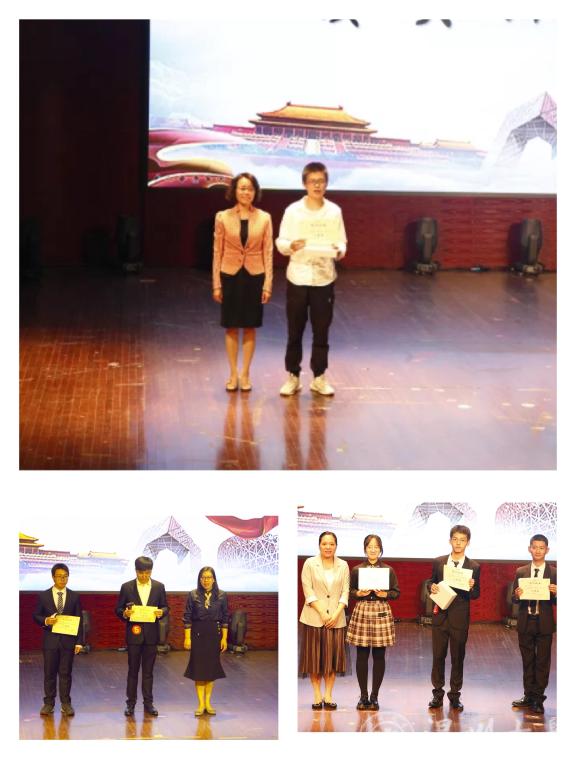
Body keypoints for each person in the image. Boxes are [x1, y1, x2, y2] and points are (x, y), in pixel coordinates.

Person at [276, 162, 347, 397]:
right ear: (304, 184)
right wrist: (291, 245)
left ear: (326, 184)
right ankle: (293, 376)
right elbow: (281, 242)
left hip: (324, 278)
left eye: (321, 181)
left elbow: (341, 241)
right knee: (295, 330)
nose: (317, 185)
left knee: (321, 330)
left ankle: (319, 377)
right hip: (298, 276)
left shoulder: (334, 211)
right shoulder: (293, 211)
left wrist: (339, 250)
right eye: (313, 181)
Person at [212, 172, 273, 392]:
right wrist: (216, 283)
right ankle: (233, 373)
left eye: (250, 188)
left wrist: (267, 284)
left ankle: (245, 373)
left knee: (249, 326)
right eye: (242, 188)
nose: (246, 192)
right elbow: (217, 251)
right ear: (235, 191)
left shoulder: (264, 218)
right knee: (230, 326)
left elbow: (268, 252)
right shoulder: (223, 217)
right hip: (230, 275)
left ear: (255, 192)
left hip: (254, 276)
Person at [428, 525, 480, 712]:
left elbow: (476, 594)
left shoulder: (473, 566)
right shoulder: (439, 562)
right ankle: (437, 694)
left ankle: (455, 695)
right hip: (440, 616)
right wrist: (431, 587)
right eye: (455, 539)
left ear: (468, 543)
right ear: (450, 540)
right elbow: (430, 581)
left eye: (462, 540)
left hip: (460, 618)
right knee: (438, 656)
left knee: (458, 657)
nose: (458, 543)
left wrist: (472, 587)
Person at [347, 534, 400, 711]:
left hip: (381, 609)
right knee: (361, 655)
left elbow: (396, 592)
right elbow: (350, 591)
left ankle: (374, 696)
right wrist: (358, 593)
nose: (373, 549)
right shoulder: (357, 570)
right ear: (365, 549)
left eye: (376, 547)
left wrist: (386, 594)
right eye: (369, 546)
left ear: (380, 549)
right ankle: (363, 696)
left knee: (379, 655)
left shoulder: (388, 570)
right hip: (362, 608)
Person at [299, 531, 350, 709]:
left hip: (336, 619)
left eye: (331, 544)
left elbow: (345, 592)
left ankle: (328, 695)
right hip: (314, 618)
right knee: (314, 660)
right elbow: (308, 591)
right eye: (324, 544)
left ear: (336, 546)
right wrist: (323, 613)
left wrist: (335, 614)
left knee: (332, 660)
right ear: (319, 545)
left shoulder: (343, 565)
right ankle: (316, 694)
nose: (328, 547)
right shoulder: (309, 563)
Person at [116, 556, 169, 717]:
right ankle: (130, 704)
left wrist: (161, 612)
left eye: (147, 573)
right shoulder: (127, 587)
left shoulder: (159, 587)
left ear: (151, 571)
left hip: (151, 636)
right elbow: (118, 609)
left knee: (148, 672)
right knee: (133, 671)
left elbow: (165, 607)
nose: (144, 576)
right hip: (134, 636)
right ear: (136, 571)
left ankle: (148, 703)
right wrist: (125, 613)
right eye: (141, 573)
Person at [511, 534, 557, 714]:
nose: (538, 551)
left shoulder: (554, 573)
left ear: (547, 550)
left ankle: (538, 698)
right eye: (534, 547)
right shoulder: (521, 571)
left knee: (542, 661)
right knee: (528, 660)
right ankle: (528, 695)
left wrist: (557, 593)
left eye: (541, 548)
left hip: (544, 623)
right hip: (526, 621)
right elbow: (514, 599)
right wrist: (517, 594)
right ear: (529, 548)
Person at [32, 563, 83, 716]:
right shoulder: (43, 596)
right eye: (60, 576)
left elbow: (79, 620)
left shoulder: (74, 596)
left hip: (68, 641)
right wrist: (46, 620)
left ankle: (66, 704)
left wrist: (79, 642)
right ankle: (48, 703)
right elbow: (36, 615)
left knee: (66, 673)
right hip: (50, 641)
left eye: (65, 576)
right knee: (49, 673)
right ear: (53, 577)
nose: (63, 579)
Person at [183, 566, 229, 716]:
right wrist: (187, 638)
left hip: (214, 634)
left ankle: (208, 703)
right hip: (197, 634)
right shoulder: (193, 594)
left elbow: (225, 618)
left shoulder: (222, 595)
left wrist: (224, 638)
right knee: (199, 670)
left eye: (209, 577)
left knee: (210, 670)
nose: (206, 580)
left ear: (213, 579)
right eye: (203, 577)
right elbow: (187, 617)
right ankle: (200, 704)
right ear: (199, 579)